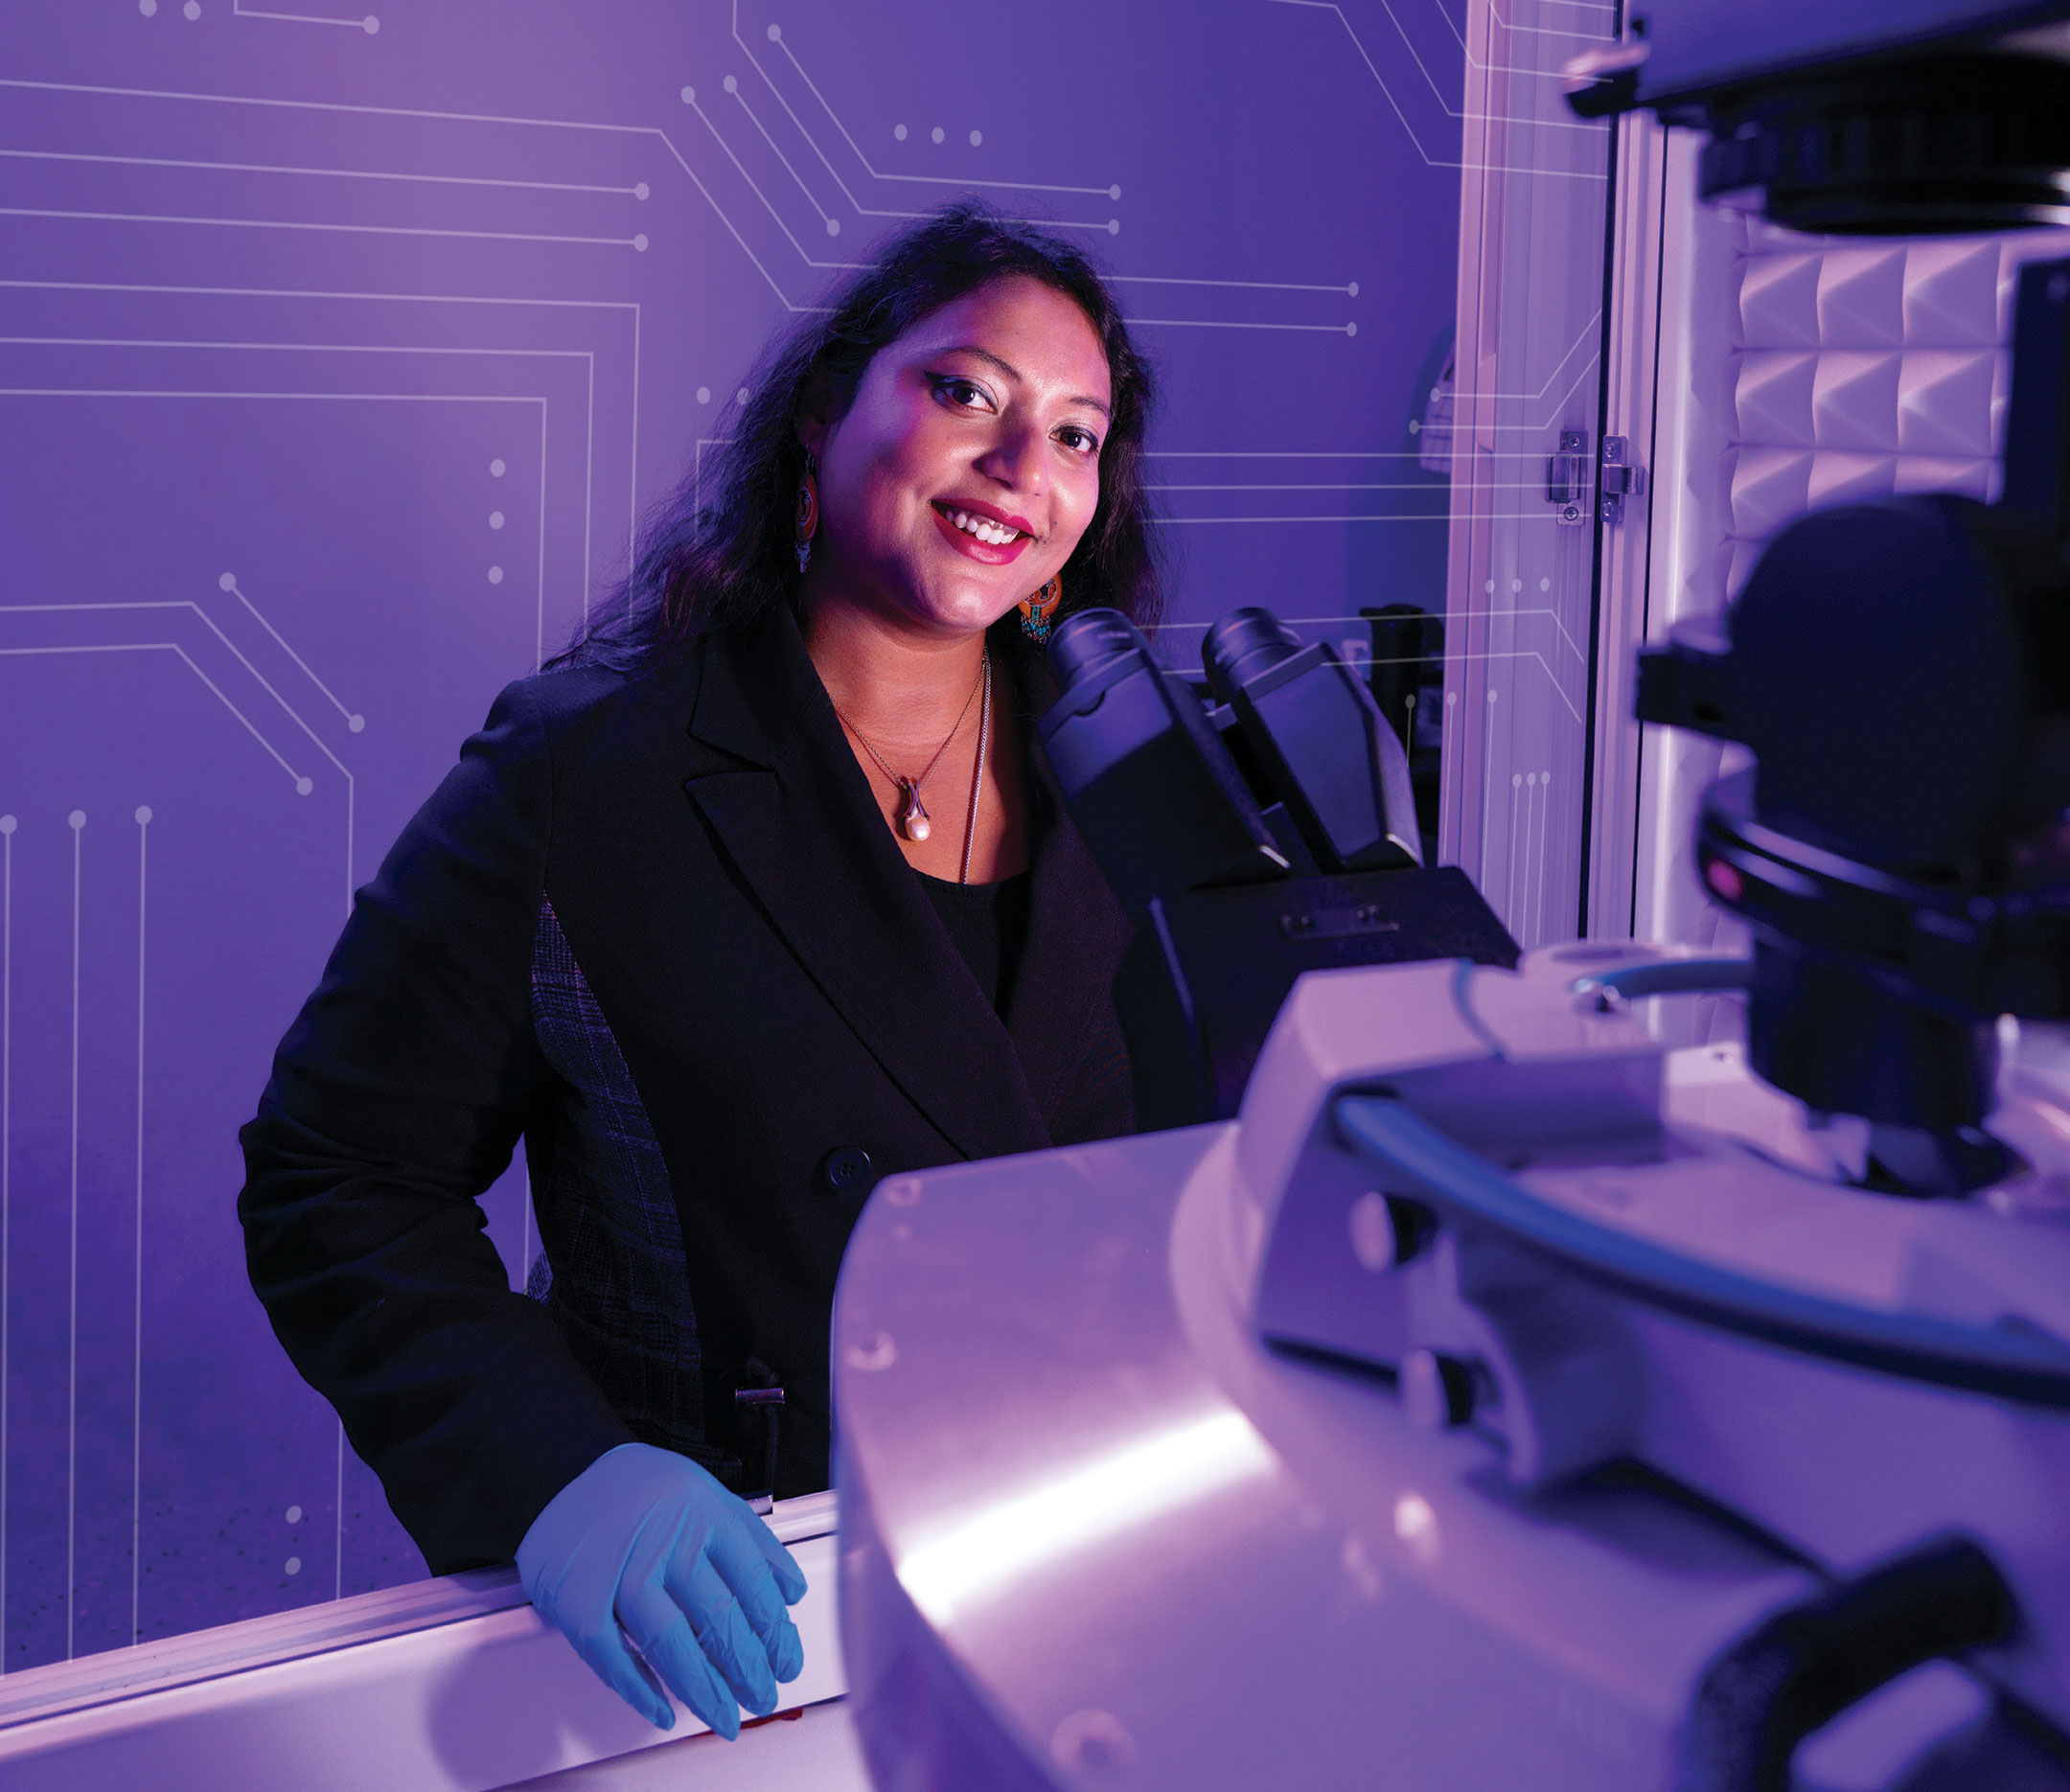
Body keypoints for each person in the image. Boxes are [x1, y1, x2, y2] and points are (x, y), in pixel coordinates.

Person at [236, 200, 1162, 1737]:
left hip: (1081, 1588)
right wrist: (557, 1470)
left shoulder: (1138, 784)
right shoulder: (589, 770)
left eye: (1075, 435)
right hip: (736, 1643)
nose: (1021, 467)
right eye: (964, 394)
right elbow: (334, 1171)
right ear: (824, 415)